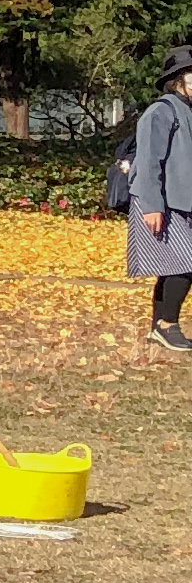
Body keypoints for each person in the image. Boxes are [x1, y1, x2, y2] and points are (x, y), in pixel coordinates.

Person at [122, 46, 192, 353]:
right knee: (184, 263)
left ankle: (158, 328)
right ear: (178, 80)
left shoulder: (187, 110)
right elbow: (148, 160)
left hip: (183, 201)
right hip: (161, 201)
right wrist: (151, 205)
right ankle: (167, 325)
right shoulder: (161, 111)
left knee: (173, 265)